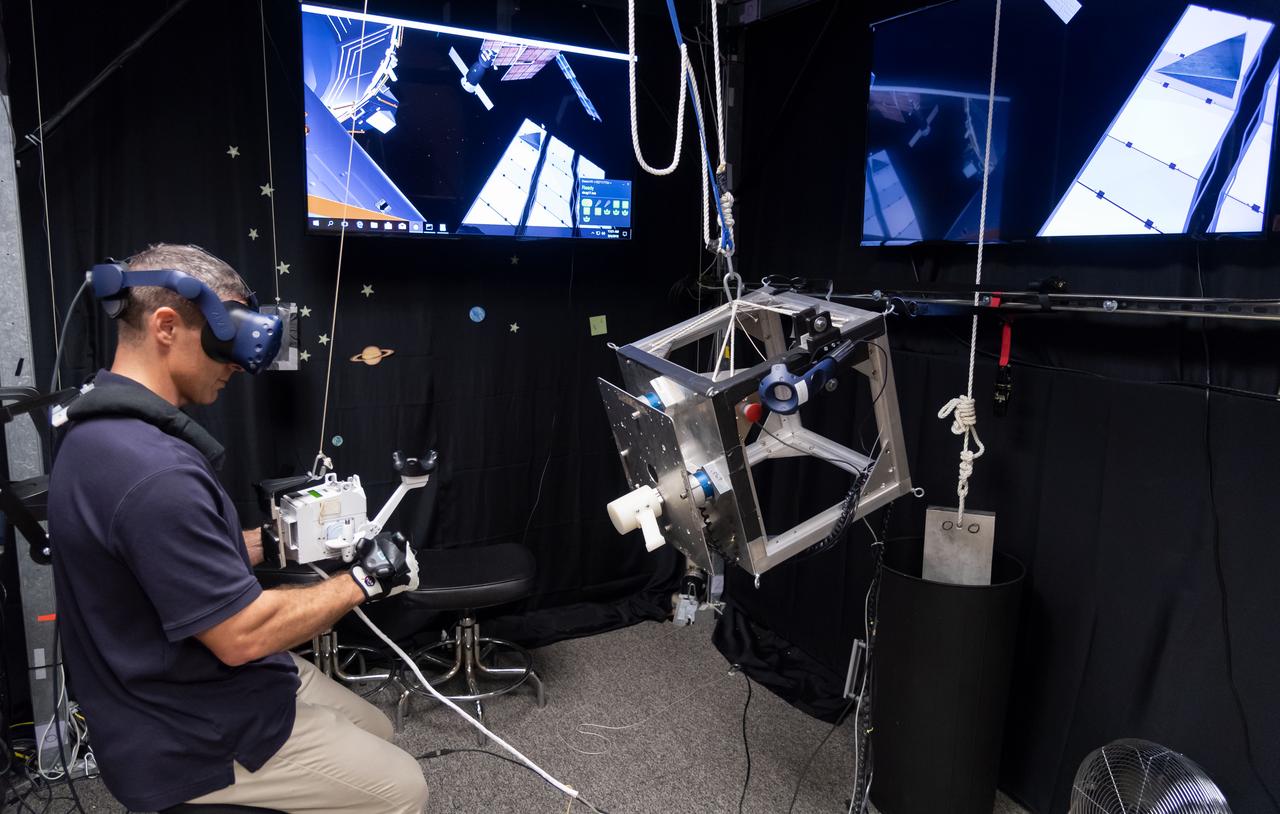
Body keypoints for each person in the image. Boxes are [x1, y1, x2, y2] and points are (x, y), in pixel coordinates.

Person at [48, 243, 429, 813]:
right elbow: (240, 636)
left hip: (181, 688)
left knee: (376, 727)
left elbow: (162, 564)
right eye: (226, 340)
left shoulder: (98, 434)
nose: (237, 364)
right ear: (167, 326)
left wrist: (273, 542)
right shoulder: (155, 471)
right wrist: (366, 578)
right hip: (188, 730)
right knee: (402, 789)